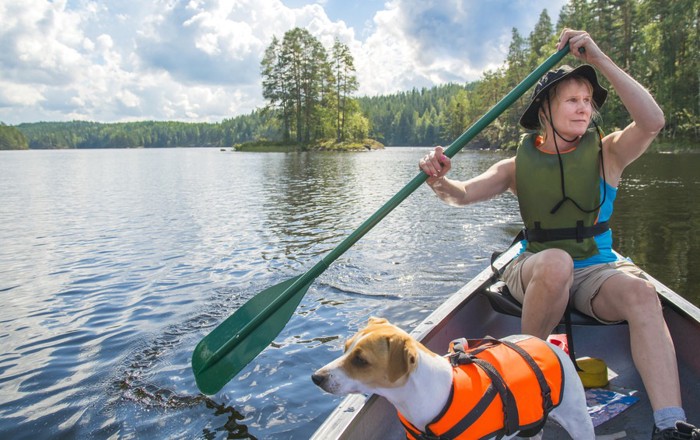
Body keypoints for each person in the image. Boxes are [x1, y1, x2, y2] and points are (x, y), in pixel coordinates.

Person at [419, 29, 699, 439]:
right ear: (545, 110)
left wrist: (599, 58)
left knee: (641, 293)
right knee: (555, 262)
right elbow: (460, 195)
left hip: (596, 271)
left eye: (588, 101)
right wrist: (439, 179)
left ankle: (669, 424)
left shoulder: (609, 153)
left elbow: (653, 121)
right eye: (572, 99)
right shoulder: (517, 165)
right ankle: (518, 382)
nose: (584, 108)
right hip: (535, 268)